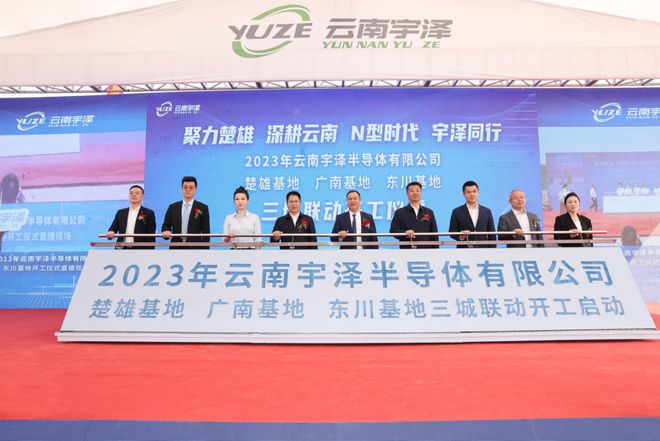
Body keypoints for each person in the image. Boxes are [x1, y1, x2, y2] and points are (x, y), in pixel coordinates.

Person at [161, 176, 211, 249]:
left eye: (191, 187)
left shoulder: (203, 208)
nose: (188, 189)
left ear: (195, 189)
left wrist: (205, 251)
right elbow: (166, 225)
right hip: (176, 247)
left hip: (195, 248)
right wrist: (166, 231)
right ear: (182, 189)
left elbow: (206, 231)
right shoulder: (173, 207)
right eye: (185, 187)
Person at [390, 181, 438, 249]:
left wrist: (436, 251)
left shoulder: (428, 212)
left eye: (417, 190)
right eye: (412, 191)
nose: (415, 193)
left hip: (427, 250)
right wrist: (405, 233)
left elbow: (434, 234)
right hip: (407, 250)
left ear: (421, 193)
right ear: (407, 193)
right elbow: (393, 230)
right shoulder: (400, 212)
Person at [107, 185, 156, 249]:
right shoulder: (121, 212)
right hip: (121, 249)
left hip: (141, 249)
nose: (134, 195)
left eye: (137, 193)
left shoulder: (148, 213)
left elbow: (151, 234)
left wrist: (150, 250)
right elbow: (113, 227)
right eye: (131, 193)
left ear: (142, 196)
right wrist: (111, 232)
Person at [449, 180, 496, 248]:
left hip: (484, 250)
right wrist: (461, 236)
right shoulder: (457, 211)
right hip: (464, 249)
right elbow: (452, 232)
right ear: (464, 194)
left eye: (474, 191)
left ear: (478, 193)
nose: (472, 194)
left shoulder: (487, 211)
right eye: (468, 192)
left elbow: (492, 234)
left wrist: (493, 250)